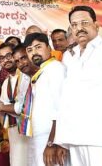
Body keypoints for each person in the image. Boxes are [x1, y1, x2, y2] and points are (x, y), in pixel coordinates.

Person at [50, 6, 102, 166]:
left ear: (96, 26)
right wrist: (62, 140)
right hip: (74, 139)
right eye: (74, 25)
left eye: (84, 22)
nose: (79, 28)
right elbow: (66, 99)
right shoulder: (69, 57)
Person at [20, 33, 66, 166]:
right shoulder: (43, 71)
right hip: (39, 136)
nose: (34, 52)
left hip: (49, 137)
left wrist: (53, 142)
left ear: (49, 47)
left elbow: (61, 107)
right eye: (29, 50)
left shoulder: (56, 69)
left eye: (38, 47)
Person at [0, 43, 31, 166]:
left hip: (28, 133)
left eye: (8, 55)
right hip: (13, 134)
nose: (5, 60)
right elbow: (1, 109)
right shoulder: (7, 81)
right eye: (1, 58)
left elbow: (23, 107)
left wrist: (2, 107)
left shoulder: (26, 76)